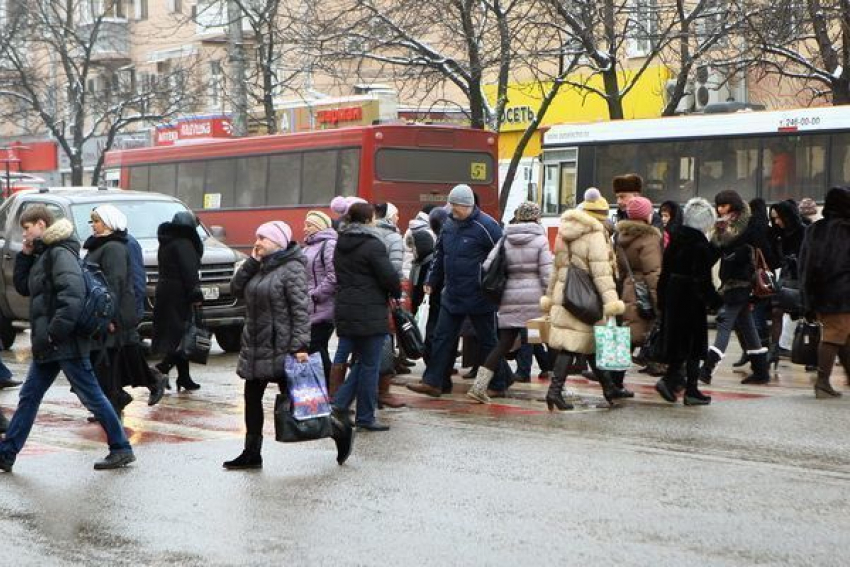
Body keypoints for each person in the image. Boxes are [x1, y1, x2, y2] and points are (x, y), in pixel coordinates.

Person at [0, 206, 134, 472]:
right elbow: (25, 286)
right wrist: (26, 255)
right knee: (29, 396)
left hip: (64, 342)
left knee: (93, 396)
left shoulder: (60, 253)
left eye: (27, 228)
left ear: (41, 224)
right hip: (51, 344)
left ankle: (121, 447)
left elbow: (72, 296)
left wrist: (53, 333)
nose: (25, 233)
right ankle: (7, 453)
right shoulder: (45, 253)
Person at [224, 221, 353, 468]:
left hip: (283, 349)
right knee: (252, 397)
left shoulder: (292, 268)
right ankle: (252, 452)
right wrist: (251, 261)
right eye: (257, 236)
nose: (258, 241)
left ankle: (338, 430)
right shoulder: (259, 267)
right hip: (256, 346)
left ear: (279, 242)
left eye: (264, 238)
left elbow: (301, 311)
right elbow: (236, 288)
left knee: (302, 403)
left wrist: (299, 346)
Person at [407, 185, 503, 398]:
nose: (452, 210)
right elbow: (440, 253)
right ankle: (434, 382)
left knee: (488, 340)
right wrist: (432, 279)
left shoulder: (487, 226)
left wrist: (492, 283)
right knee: (442, 338)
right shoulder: (449, 224)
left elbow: (502, 255)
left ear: (468, 205)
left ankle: (500, 380)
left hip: (479, 294)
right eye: (451, 205)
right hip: (452, 293)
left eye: (456, 206)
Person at [540, 188, 627, 405]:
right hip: (586, 297)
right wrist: (612, 302)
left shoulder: (564, 232)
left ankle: (609, 388)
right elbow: (601, 273)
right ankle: (554, 391)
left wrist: (550, 297)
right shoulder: (595, 235)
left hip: (565, 294)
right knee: (572, 345)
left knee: (587, 343)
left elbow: (555, 267)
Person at [84, 205, 166, 418]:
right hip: (105, 313)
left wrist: (108, 315)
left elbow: (115, 284)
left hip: (115, 314)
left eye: (97, 221)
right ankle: (116, 399)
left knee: (107, 362)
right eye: (92, 221)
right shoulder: (100, 245)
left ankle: (115, 401)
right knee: (113, 360)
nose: (93, 225)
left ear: (110, 223)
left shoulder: (113, 248)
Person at [467, 202, 552, 404]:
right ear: (536, 217)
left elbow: (488, 265)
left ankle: (478, 386)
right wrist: (551, 296)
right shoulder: (540, 240)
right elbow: (547, 273)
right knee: (546, 340)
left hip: (509, 297)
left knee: (503, 344)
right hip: (535, 300)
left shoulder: (505, 239)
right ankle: (559, 388)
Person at [333, 203, 401, 431]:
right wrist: (396, 291)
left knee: (362, 364)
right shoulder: (373, 245)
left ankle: (340, 404)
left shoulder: (340, 243)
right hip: (370, 312)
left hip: (345, 309)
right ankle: (363, 416)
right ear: (368, 220)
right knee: (370, 365)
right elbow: (389, 276)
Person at [699, 190, 770, 385]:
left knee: (724, 323)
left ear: (733, 205)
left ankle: (707, 370)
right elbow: (713, 252)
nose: (720, 209)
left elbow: (752, 246)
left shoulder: (747, 224)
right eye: (718, 205)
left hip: (743, 281)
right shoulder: (722, 226)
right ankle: (761, 371)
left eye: (724, 205)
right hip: (731, 281)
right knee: (747, 326)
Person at [654, 198, 721, 405]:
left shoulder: (677, 238)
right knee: (693, 347)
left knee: (679, 345)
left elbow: (664, 272)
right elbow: (702, 277)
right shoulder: (699, 243)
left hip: (674, 297)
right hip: (691, 300)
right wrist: (715, 301)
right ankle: (689, 390)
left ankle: (673, 382)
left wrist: (662, 299)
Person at [799, 186, 850, 398]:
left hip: (820, 292)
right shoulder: (846, 229)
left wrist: (807, 297)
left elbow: (805, 264)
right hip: (843, 292)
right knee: (834, 336)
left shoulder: (815, 229)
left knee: (844, 336)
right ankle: (822, 382)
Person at [613, 196, 662, 395]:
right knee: (639, 336)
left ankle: (614, 382)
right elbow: (653, 273)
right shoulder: (649, 238)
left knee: (627, 338)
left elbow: (621, 269)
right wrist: (659, 302)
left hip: (627, 288)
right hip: (643, 292)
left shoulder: (622, 236)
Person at [152, 211, 203, 392]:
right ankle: (161, 368)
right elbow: (189, 272)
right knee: (183, 335)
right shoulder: (184, 243)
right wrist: (195, 294)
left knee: (179, 334)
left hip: (167, 292)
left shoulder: (167, 241)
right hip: (180, 294)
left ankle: (184, 377)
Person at [302, 210, 337, 378]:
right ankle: (327, 387)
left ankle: (330, 386)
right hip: (310, 307)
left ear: (319, 226)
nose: (305, 229)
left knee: (315, 347)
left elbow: (334, 275)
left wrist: (316, 294)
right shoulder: (308, 246)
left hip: (323, 307)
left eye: (309, 225)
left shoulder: (329, 244)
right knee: (317, 348)